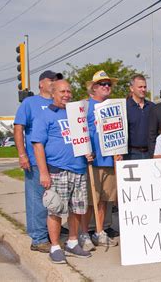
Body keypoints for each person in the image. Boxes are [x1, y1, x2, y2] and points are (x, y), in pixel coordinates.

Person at [31, 79, 91, 264]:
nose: (66, 95)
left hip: (79, 169)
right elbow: (38, 145)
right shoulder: (45, 116)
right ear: (53, 93)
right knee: (55, 210)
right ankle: (55, 246)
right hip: (57, 170)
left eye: (69, 91)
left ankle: (72, 242)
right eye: (62, 91)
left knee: (77, 210)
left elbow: (83, 138)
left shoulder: (76, 114)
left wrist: (89, 153)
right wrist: (43, 173)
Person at [14, 70, 63, 253]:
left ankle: (52, 233)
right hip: (35, 160)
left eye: (56, 80)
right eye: (51, 80)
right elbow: (18, 128)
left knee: (54, 200)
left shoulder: (58, 103)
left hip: (57, 162)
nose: (54, 83)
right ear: (41, 83)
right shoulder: (30, 103)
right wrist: (22, 154)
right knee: (37, 200)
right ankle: (39, 238)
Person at [80, 71, 120, 251]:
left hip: (109, 160)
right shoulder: (85, 106)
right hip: (92, 161)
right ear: (94, 87)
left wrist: (118, 152)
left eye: (108, 84)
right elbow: (79, 133)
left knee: (104, 200)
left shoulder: (114, 107)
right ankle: (83, 233)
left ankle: (99, 231)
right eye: (102, 84)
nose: (106, 87)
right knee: (90, 200)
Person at [125, 74, 154, 160]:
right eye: (140, 87)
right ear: (132, 88)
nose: (143, 89)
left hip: (150, 153)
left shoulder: (152, 107)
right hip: (131, 154)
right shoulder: (124, 107)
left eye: (145, 87)